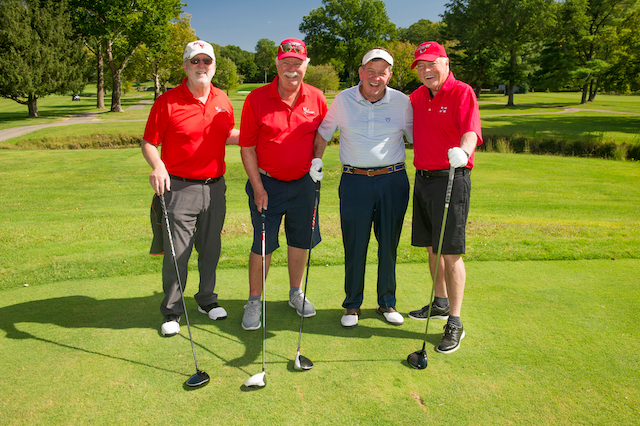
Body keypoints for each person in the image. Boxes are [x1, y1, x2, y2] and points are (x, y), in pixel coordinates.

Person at [142, 40, 239, 337]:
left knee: (210, 249)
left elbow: (226, 134)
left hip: (215, 188)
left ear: (213, 67)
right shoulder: (167, 101)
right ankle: (172, 310)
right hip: (179, 188)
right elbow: (149, 142)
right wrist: (158, 166)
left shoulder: (222, 98)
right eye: (194, 61)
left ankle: (206, 300)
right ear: (185, 66)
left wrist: (261, 135)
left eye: (206, 61)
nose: (201, 66)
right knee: (178, 253)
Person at [314, 47, 413, 328]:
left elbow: (419, 135)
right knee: (355, 243)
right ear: (360, 72)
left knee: (389, 244)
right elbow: (324, 131)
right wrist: (316, 160)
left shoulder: (402, 102)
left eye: (382, 72)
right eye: (370, 70)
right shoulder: (343, 100)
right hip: (354, 180)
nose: (375, 77)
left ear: (390, 75)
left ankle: (387, 302)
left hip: (392, 180)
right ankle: (352, 305)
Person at [238, 38, 327, 330]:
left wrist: (316, 161)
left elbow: (320, 136)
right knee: (263, 244)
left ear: (306, 65)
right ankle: (254, 301)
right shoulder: (257, 98)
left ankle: (295, 293)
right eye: (286, 63)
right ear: (277, 64)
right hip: (267, 184)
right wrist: (258, 187)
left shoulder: (316, 98)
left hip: (303, 184)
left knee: (301, 240)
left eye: (297, 64)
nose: (292, 69)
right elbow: (247, 147)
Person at [407, 41, 482, 353]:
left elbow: (471, 132)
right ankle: (439, 301)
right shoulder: (417, 96)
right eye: (420, 66)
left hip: (451, 177)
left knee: (450, 252)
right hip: (423, 179)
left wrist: (463, 153)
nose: (426, 70)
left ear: (445, 63)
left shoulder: (462, 92)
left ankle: (455, 320)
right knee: (431, 246)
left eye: (431, 64)